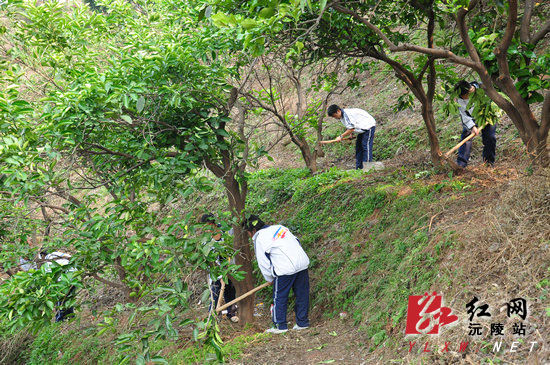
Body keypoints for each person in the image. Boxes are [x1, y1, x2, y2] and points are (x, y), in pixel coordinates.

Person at [244, 215, 310, 334]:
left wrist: (269, 278)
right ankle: (302, 323)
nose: (249, 236)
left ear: (253, 231)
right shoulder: (280, 227)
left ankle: (280, 326)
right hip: (302, 263)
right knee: (302, 294)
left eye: (248, 233)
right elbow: (297, 241)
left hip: (284, 269)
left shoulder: (259, 237)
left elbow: (263, 263)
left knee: (279, 297)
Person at [200, 213, 239, 323]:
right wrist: (218, 272)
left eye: (207, 226)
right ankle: (212, 315)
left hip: (229, 268)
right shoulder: (205, 240)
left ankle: (231, 313)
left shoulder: (225, 232)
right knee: (215, 292)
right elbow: (207, 257)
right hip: (215, 270)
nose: (206, 229)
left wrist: (227, 269)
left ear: (212, 224)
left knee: (230, 291)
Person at [454, 80, 496, 168]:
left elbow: (491, 95)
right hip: (471, 118)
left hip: (487, 115)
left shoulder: (479, 89)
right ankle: (461, 164)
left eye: (465, 95)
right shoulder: (459, 99)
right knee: (466, 136)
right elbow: (464, 115)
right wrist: (472, 126)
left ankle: (489, 162)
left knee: (490, 137)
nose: (464, 97)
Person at [326, 104, 377, 170]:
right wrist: (351, 134)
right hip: (361, 128)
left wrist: (341, 136)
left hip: (368, 126)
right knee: (358, 148)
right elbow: (351, 126)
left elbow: (351, 128)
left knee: (366, 146)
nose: (335, 118)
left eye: (334, 116)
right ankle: (359, 168)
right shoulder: (341, 116)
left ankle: (367, 168)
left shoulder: (347, 115)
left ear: (338, 111)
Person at [41, 250, 77, 322]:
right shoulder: (59, 254)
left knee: (61, 300)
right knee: (68, 298)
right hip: (74, 276)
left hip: (63, 281)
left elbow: (49, 275)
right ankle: (71, 316)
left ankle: (60, 319)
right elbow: (72, 258)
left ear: (43, 255)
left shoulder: (48, 260)